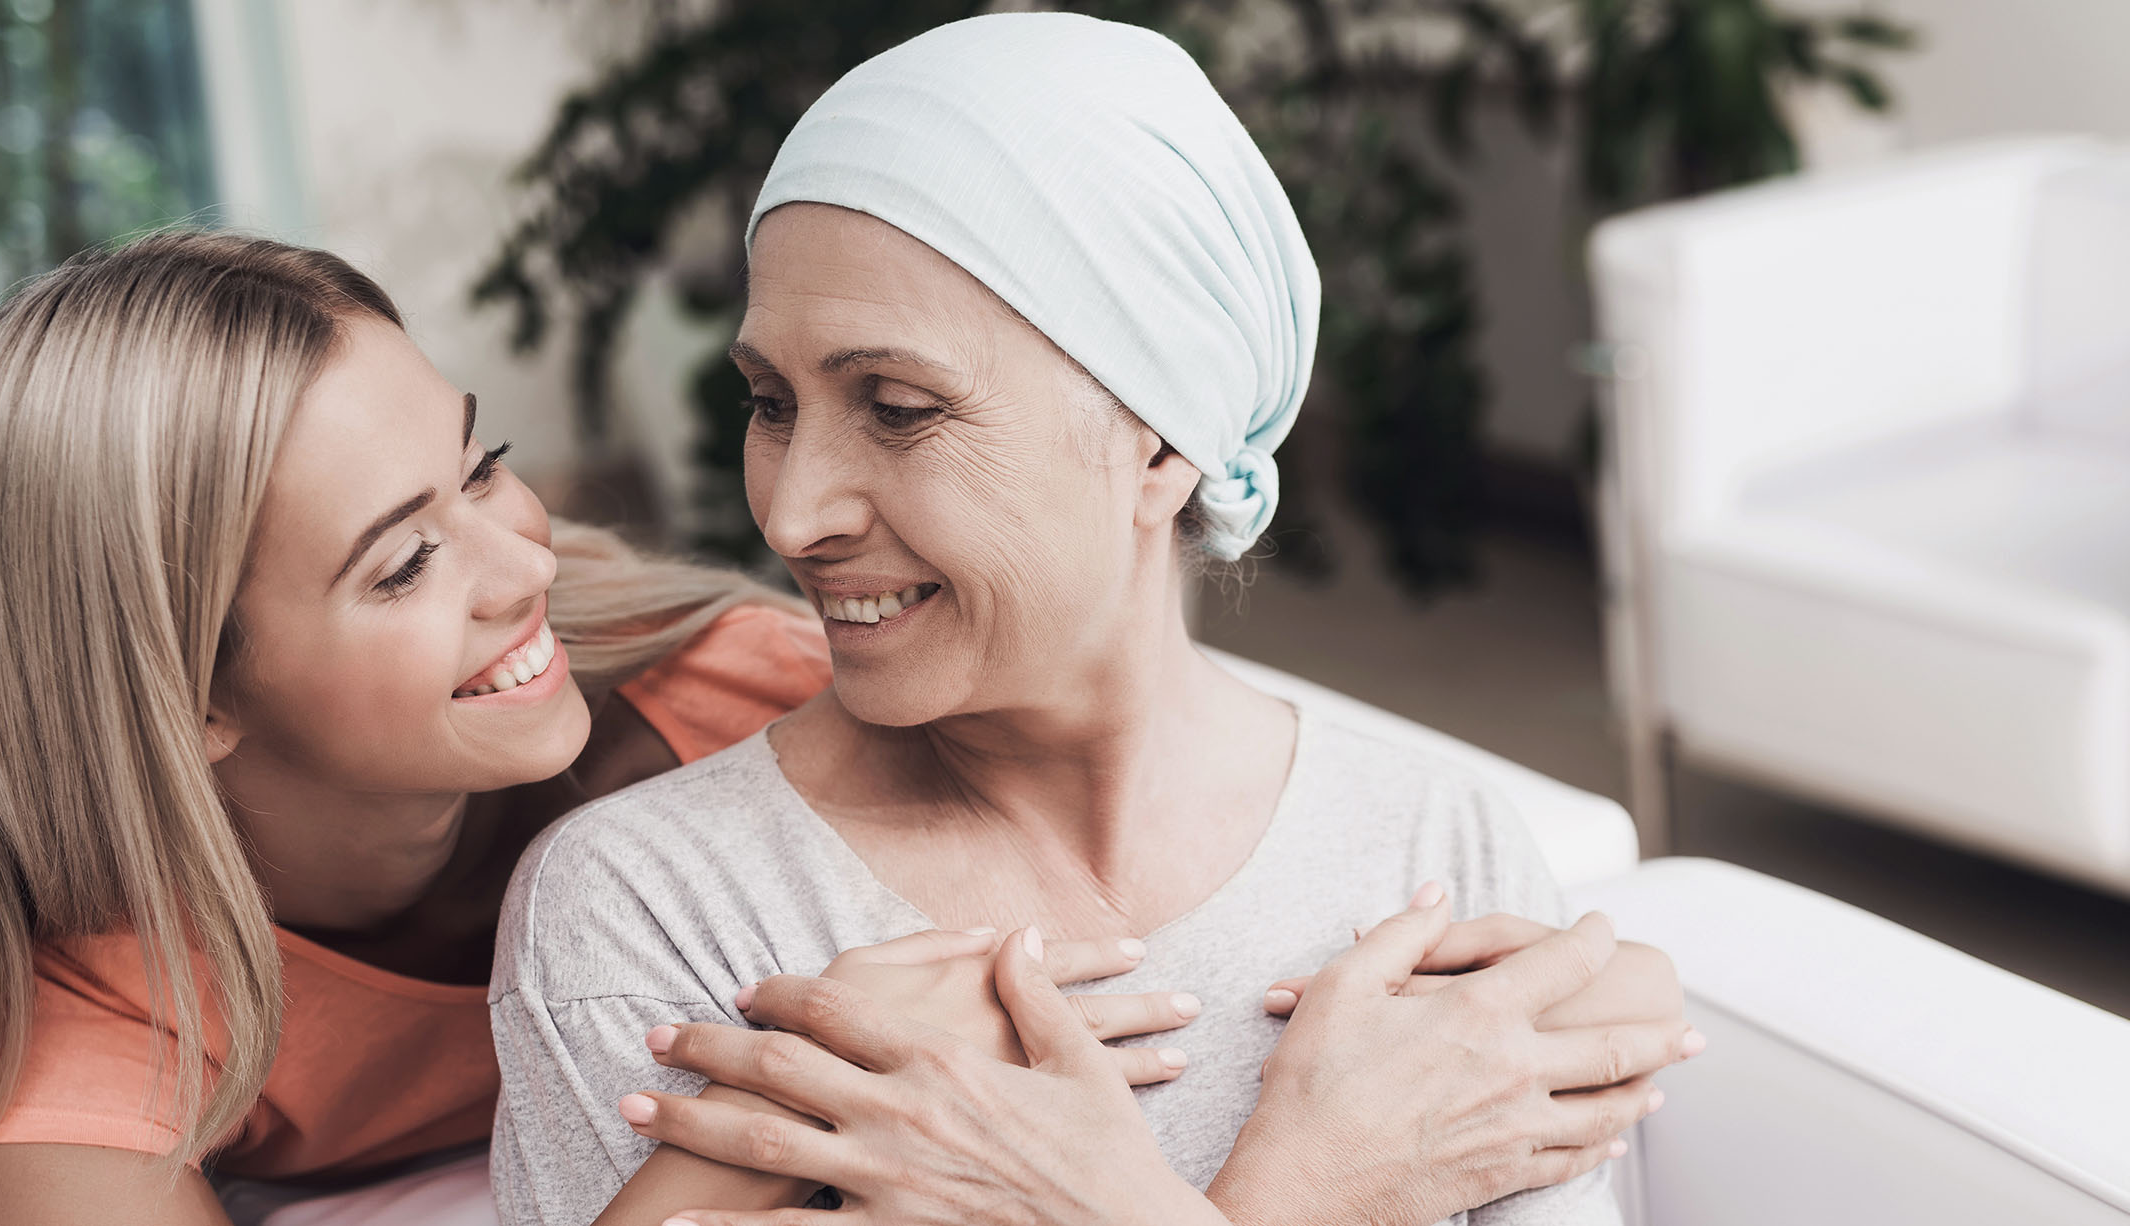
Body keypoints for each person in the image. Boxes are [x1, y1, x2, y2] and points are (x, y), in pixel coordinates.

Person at [490, 13, 1695, 1226]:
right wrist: (1305, 1191)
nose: (792, 512)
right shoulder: (653, 911)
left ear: (1163, 438)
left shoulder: (1435, 855)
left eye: (898, 407)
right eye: (768, 401)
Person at [0, 232, 1196, 1226]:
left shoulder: (738, 693)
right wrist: (770, 1113)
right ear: (186, 697)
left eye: (481, 468)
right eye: (403, 564)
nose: (526, 568)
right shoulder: (89, 1027)